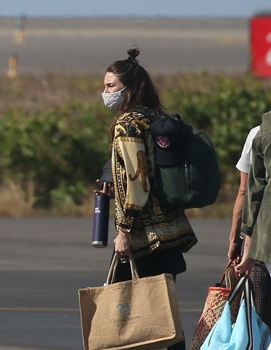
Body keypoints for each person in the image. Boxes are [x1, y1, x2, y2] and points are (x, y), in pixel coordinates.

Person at [102, 47, 197, 350]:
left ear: (128, 90)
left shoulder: (128, 123)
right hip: (170, 230)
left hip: (144, 236)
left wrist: (125, 230)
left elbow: (137, 180)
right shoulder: (155, 117)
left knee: (125, 317)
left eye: (110, 86)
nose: (105, 93)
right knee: (162, 316)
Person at [227, 125, 271, 326]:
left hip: (261, 239)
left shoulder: (259, 133)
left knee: (259, 317)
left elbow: (244, 192)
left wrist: (236, 240)